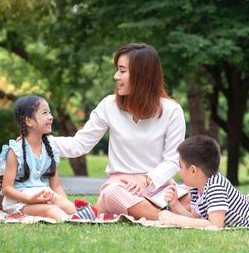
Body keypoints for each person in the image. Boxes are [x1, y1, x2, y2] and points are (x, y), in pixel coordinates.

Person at [53, 43, 187, 220]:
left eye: (122, 71)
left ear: (142, 76)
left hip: (157, 186)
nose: (116, 76)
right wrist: (38, 141)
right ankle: (167, 217)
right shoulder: (109, 105)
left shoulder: (172, 111)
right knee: (111, 193)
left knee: (194, 193)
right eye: (117, 70)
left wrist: (146, 179)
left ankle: (162, 212)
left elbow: (173, 161)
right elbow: (79, 144)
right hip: (121, 189)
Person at [0, 95, 98, 222]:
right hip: (21, 202)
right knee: (51, 210)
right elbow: (6, 189)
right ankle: (72, 220)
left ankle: (79, 214)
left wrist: (64, 203)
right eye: (45, 113)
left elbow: (56, 187)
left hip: (44, 197)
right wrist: (30, 199)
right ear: (28, 121)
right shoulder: (15, 151)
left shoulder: (50, 150)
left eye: (50, 112)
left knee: (63, 204)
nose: (50, 117)